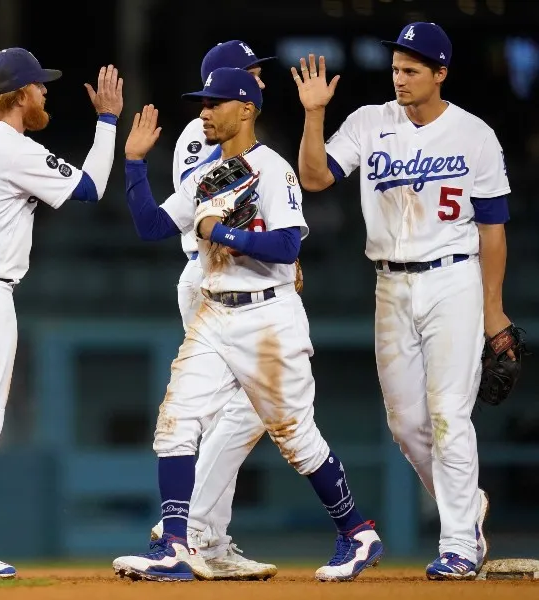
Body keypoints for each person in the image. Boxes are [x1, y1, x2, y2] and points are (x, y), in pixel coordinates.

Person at [112, 67, 382, 583]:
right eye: (203, 103)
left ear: (245, 109)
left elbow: (288, 245)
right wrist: (134, 163)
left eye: (214, 103)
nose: (204, 111)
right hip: (215, 312)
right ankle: (175, 545)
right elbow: (151, 226)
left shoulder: (274, 169)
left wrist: (225, 234)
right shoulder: (208, 175)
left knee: (296, 438)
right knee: (175, 424)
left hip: (268, 316)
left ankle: (358, 531)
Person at [292, 22, 502, 580]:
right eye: (395, 69)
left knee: (449, 414)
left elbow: (493, 230)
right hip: (390, 283)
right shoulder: (370, 121)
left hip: (454, 279)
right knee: (407, 425)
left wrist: (494, 308)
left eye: (411, 70)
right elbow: (314, 178)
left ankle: (458, 542)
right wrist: (314, 115)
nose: (400, 78)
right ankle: (468, 508)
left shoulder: (475, 135)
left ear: (440, 73)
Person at [0, 48, 123, 579]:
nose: (45, 92)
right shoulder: (10, 145)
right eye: (39, 85)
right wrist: (107, 121)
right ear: (19, 94)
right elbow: (90, 187)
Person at [148, 40, 280, 581]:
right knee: (249, 407)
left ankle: (209, 536)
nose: (260, 81)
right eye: (252, 73)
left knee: (240, 410)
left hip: (222, 274)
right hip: (212, 277)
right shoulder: (204, 133)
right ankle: (195, 527)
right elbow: (210, 203)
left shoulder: (221, 134)